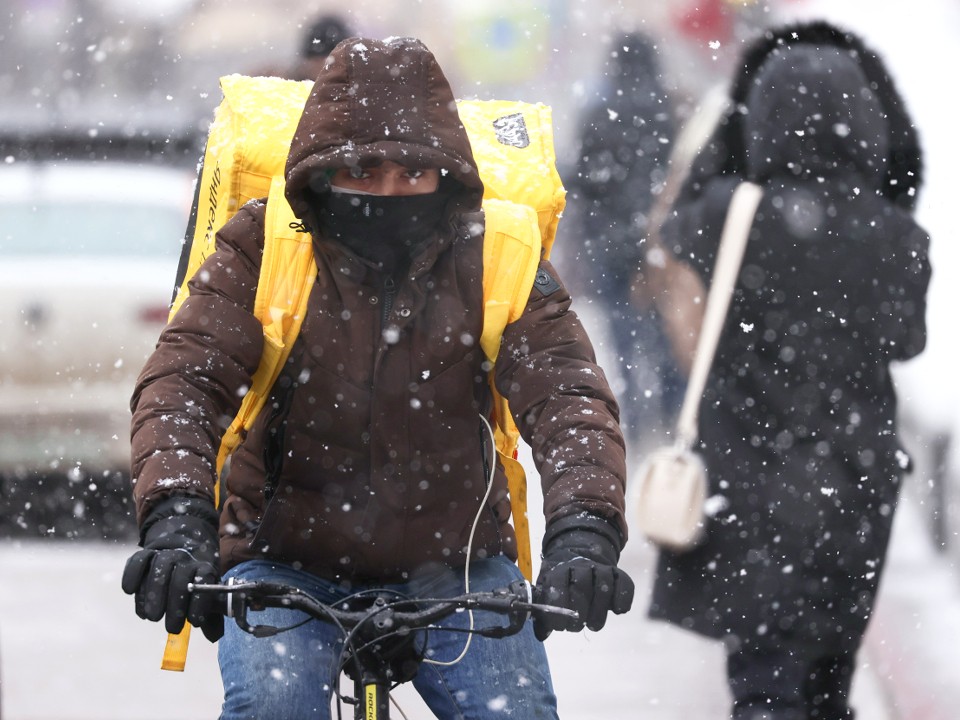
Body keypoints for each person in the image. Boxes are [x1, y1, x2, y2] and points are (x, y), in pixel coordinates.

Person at [121, 36, 634, 720]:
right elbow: (183, 381)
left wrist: (585, 527)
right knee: (271, 707)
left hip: (458, 567)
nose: (388, 191)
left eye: (411, 173)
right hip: (283, 562)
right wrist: (178, 517)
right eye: (362, 171)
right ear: (321, 175)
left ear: (445, 175)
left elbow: (567, 396)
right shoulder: (264, 242)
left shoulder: (500, 254)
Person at [646, 21, 930, 720]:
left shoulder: (726, 215)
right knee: (827, 682)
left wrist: (735, 128)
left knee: (765, 681)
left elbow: (675, 225)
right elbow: (908, 340)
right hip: (854, 492)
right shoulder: (896, 237)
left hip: (752, 484)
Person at [567, 31, 682, 452]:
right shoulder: (670, 109)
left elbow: (581, 179)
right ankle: (671, 408)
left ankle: (635, 408)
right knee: (663, 324)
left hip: (610, 242)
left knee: (622, 328)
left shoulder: (599, 113)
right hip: (660, 242)